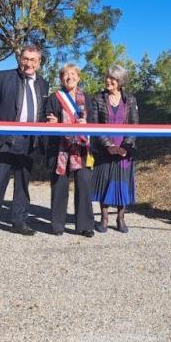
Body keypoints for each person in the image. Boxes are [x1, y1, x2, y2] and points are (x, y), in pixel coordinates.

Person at [0, 44, 49, 241]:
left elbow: (42, 113)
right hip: (4, 140)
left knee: (22, 184)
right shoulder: (3, 77)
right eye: (25, 59)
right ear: (20, 59)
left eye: (33, 60)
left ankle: (19, 221)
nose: (28, 63)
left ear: (39, 62)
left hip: (29, 142)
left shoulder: (43, 84)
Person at [44, 64, 95, 237]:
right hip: (60, 150)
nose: (70, 77)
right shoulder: (54, 98)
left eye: (73, 74)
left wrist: (87, 125)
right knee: (59, 186)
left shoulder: (87, 98)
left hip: (81, 149)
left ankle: (85, 225)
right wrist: (51, 123)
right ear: (61, 78)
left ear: (79, 77)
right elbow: (48, 117)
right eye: (66, 74)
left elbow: (95, 121)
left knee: (84, 185)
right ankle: (57, 225)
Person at [89, 65, 139, 234]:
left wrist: (126, 146)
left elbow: (134, 125)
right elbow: (94, 125)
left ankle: (121, 218)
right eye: (108, 77)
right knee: (104, 183)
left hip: (124, 151)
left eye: (113, 78)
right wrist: (108, 145)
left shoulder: (130, 99)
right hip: (105, 150)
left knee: (122, 185)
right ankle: (103, 219)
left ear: (120, 81)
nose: (108, 81)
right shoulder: (98, 98)